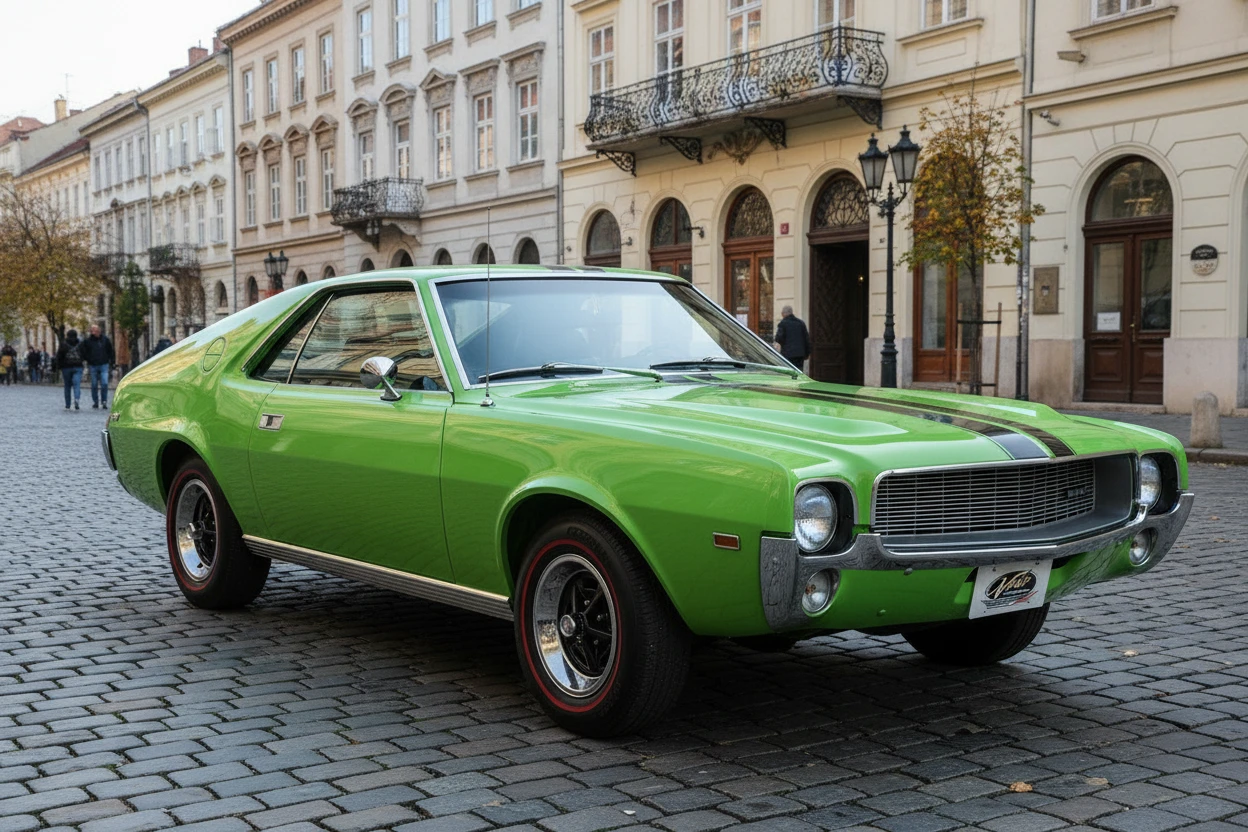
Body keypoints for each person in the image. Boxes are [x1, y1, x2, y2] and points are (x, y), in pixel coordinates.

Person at [82, 324, 116, 409]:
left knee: (104, 383)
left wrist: (111, 361)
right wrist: (88, 359)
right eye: (93, 331)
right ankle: (96, 401)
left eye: (96, 330)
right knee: (94, 384)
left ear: (99, 331)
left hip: (104, 364)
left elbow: (110, 351)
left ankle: (104, 401)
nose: (95, 332)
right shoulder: (88, 341)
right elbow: (84, 352)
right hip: (93, 365)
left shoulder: (105, 340)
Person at [773, 305, 811, 372]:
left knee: (789, 373)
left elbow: (778, 338)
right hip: (800, 354)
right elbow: (807, 339)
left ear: (783, 314)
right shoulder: (801, 323)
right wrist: (807, 353)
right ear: (792, 313)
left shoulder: (783, 323)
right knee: (799, 372)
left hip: (788, 354)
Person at [57, 330, 86, 410]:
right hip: (78, 366)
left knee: (67, 386)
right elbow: (84, 354)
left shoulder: (63, 344)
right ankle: (77, 399)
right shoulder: (80, 344)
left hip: (66, 367)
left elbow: (59, 355)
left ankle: (68, 404)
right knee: (77, 384)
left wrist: (59, 366)